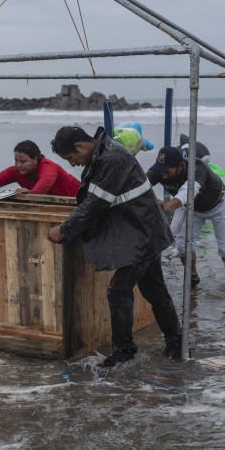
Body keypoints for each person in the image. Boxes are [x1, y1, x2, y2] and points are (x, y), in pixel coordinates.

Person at [47, 126, 182, 366]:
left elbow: (95, 203)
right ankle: (176, 342)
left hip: (143, 233)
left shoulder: (111, 158)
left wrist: (65, 229)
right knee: (155, 291)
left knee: (118, 289)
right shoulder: (103, 153)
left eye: (71, 158)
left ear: (80, 146)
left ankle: (124, 350)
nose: (72, 164)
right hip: (141, 230)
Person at [147, 146, 225, 293]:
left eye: (167, 172)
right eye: (161, 172)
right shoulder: (157, 172)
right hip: (191, 208)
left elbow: (186, 193)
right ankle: (193, 276)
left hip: (218, 205)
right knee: (182, 246)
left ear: (180, 166)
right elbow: (140, 188)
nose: (163, 176)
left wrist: (165, 207)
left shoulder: (197, 167)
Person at [0, 140, 79, 196]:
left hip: (78, 197)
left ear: (35, 159)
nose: (18, 165)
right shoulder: (17, 170)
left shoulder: (47, 167)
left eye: (23, 161)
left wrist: (31, 194)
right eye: (16, 160)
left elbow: (45, 182)